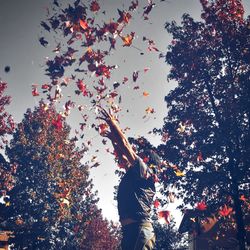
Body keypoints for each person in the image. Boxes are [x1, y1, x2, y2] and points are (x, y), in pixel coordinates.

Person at [99, 107, 163, 250]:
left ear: (147, 161)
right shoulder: (137, 174)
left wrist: (113, 124)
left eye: (141, 155)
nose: (136, 156)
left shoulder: (144, 171)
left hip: (140, 230)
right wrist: (113, 140)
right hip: (130, 231)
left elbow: (126, 146)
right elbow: (122, 158)